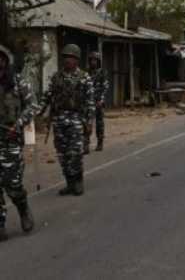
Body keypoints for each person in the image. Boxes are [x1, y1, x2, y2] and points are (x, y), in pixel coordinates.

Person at [38, 44, 94, 196]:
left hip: (76, 119)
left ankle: (78, 181)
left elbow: (90, 102)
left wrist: (89, 122)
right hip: (59, 120)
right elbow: (47, 97)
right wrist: (38, 112)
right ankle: (69, 183)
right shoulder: (56, 77)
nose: (67, 60)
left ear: (77, 60)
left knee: (75, 153)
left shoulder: (84, 78)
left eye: (71, 57)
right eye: (65, 57)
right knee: (62, 154)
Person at [0, 46, 36, 241]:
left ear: (6, 60)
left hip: (11, 139)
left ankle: (23, 209)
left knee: (12, 184)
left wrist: (19, 124)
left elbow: (32, 106)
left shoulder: (19, 82)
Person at [85, 51, 109, 153]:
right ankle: (85, 145)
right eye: (91, 60)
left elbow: (105, 87)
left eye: (95, 60)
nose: (93, 62)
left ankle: (100, 143)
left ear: (98, 61)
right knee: (86, 123)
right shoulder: (86, 73)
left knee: (99, 124)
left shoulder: (103, 72)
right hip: (88, 102)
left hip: (98, 101)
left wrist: (101, 100)